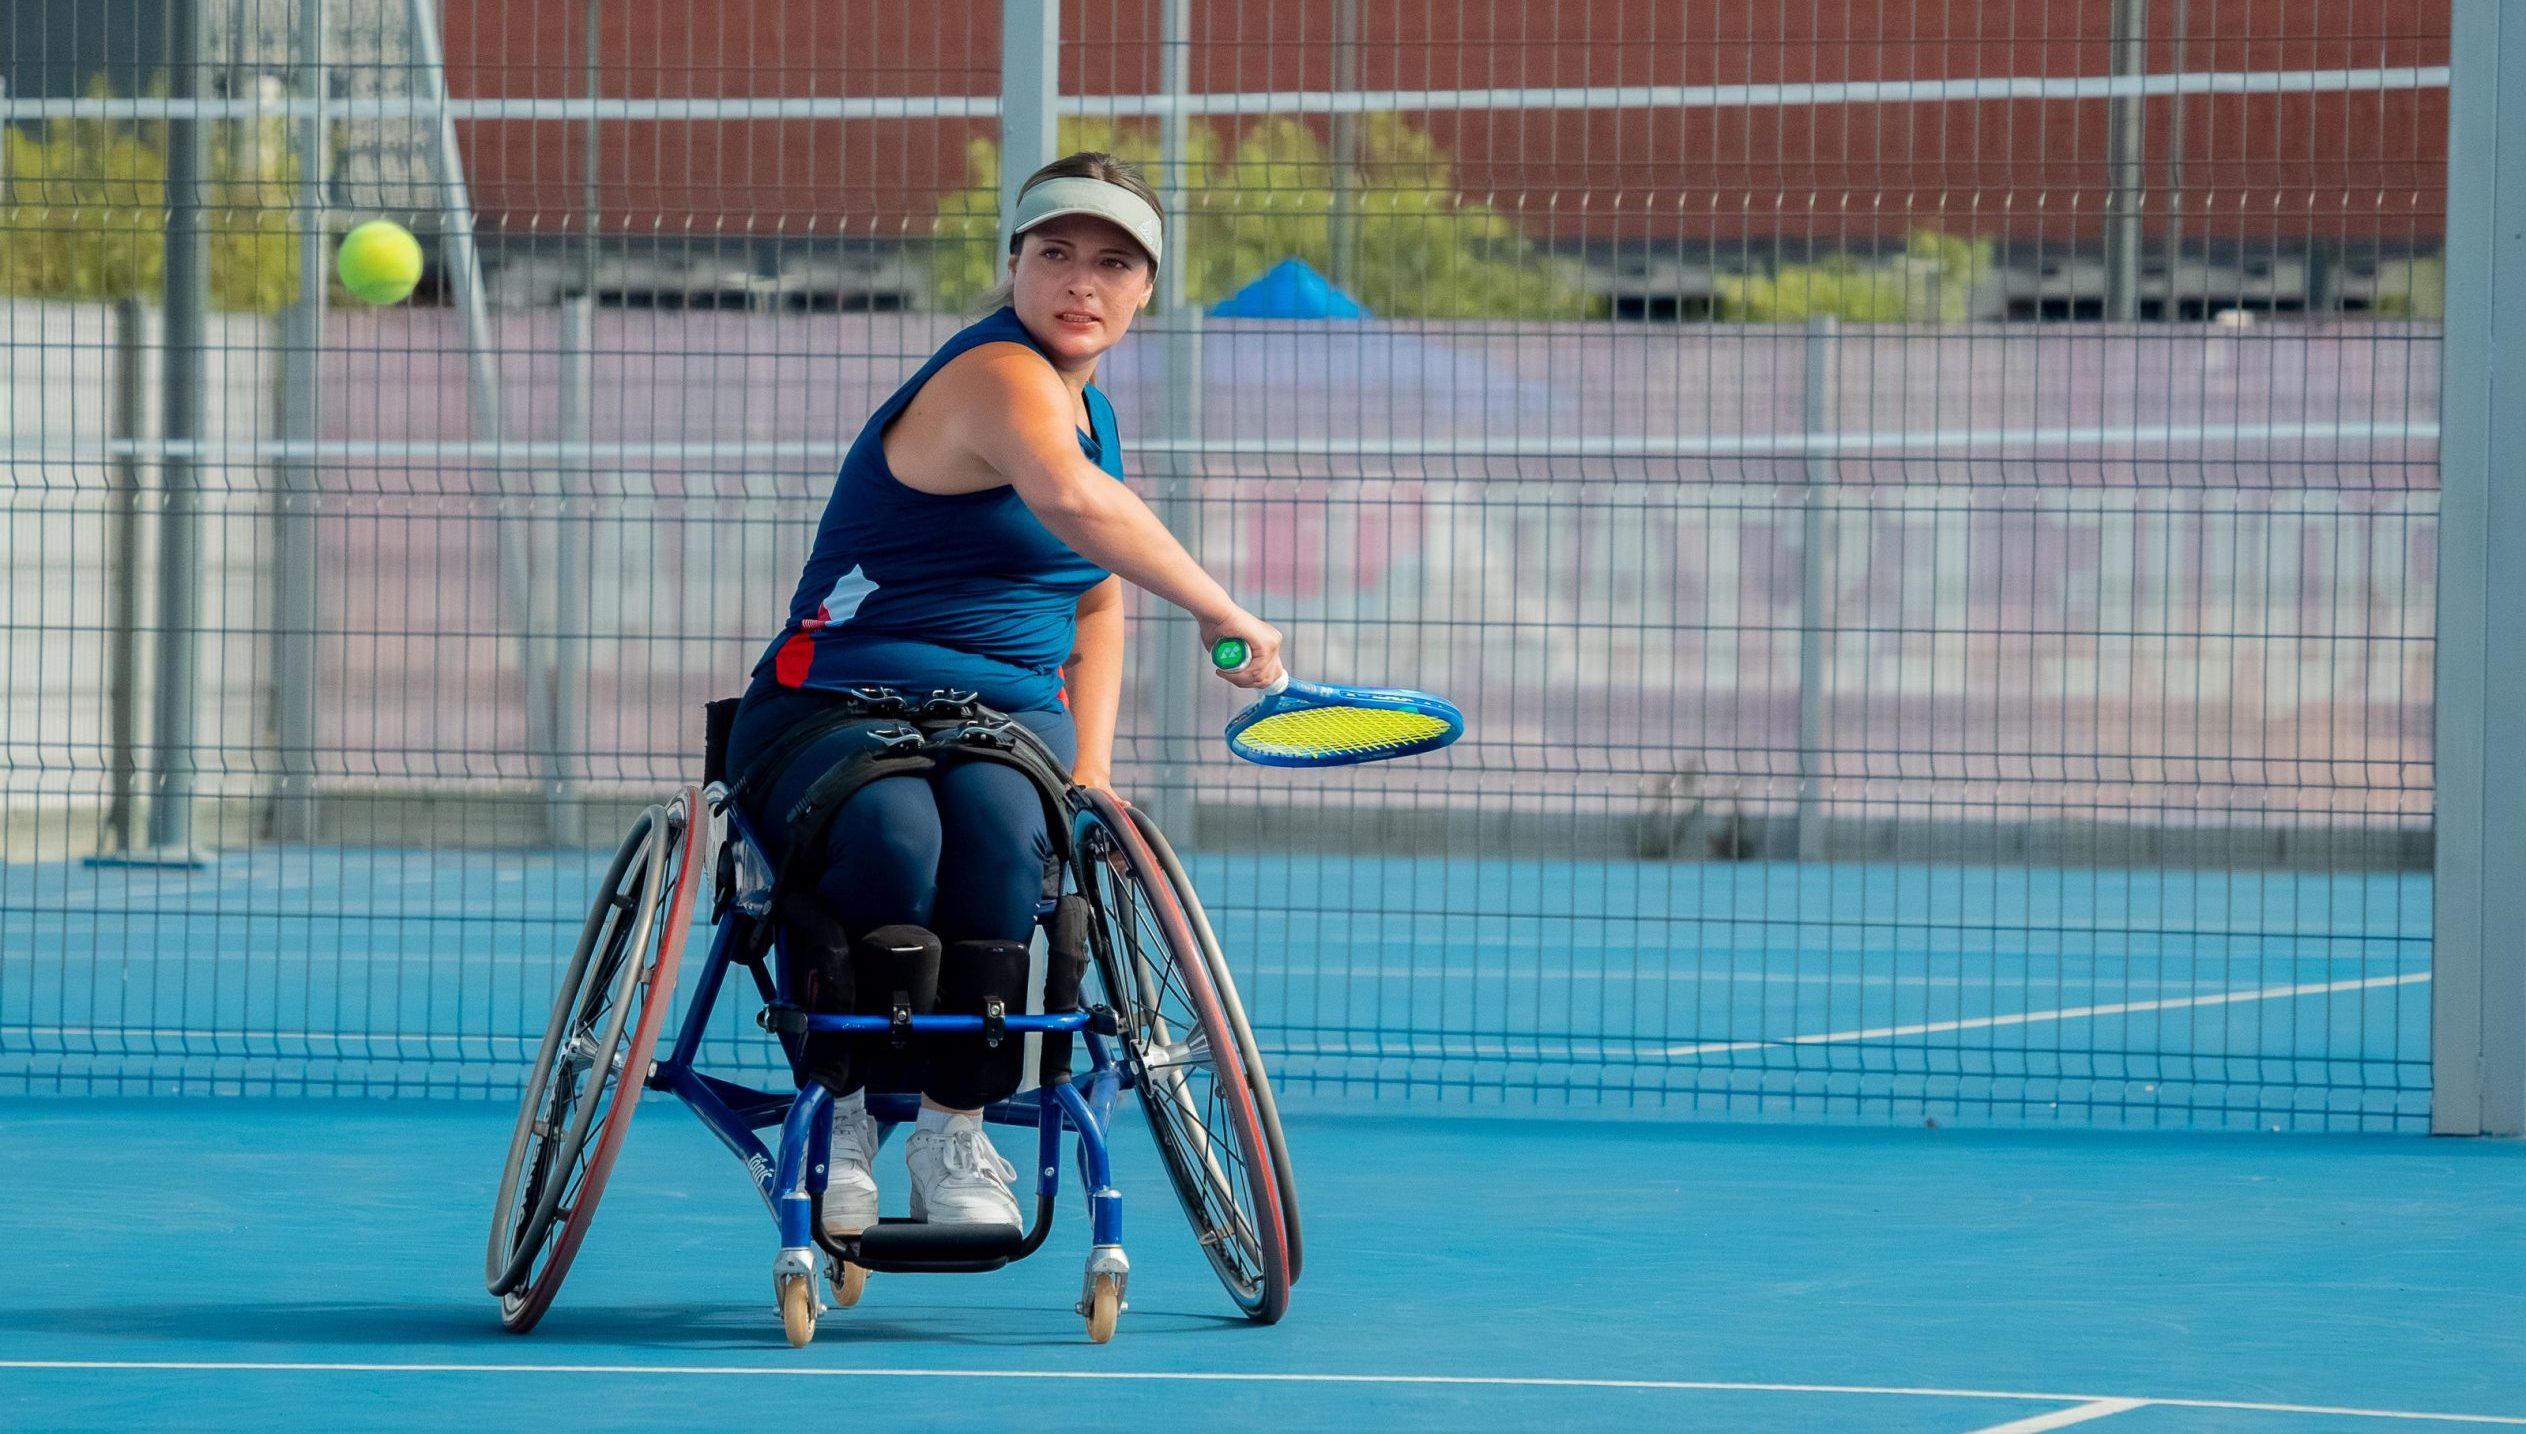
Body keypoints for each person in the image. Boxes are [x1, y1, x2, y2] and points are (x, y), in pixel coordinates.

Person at [725, 152, 1284, 1235]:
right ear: (1014, 266)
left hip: (1002, 716)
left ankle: (952, 1126)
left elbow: (1093, 602)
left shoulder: (1097, 411)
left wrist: (1093, 770)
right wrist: (1223, 609)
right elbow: (1072, 504)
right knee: (892, 837)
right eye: (1057, 254)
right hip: (834, 699)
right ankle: (839, 1111)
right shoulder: (995, 374)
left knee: (999, 833)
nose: (1083, 281)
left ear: (1145, 290)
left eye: (1114, 262)